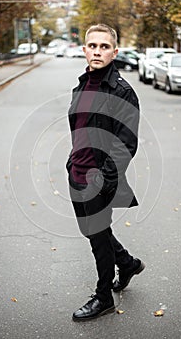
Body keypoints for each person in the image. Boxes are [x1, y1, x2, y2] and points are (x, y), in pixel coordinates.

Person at [66, 23, 145, 322]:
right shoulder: (81, 85)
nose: (97, 51)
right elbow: (80, 129)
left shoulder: (122, 92)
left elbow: (126, 143)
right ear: (84, 49)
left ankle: (103, 297)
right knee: (91, 230)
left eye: (104, 46)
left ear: (115, 52)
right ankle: (127, 263)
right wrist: (72, 160)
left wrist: (104, 179)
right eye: (92, 46)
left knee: (97, 238)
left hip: (98, 178)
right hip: (76, 170)